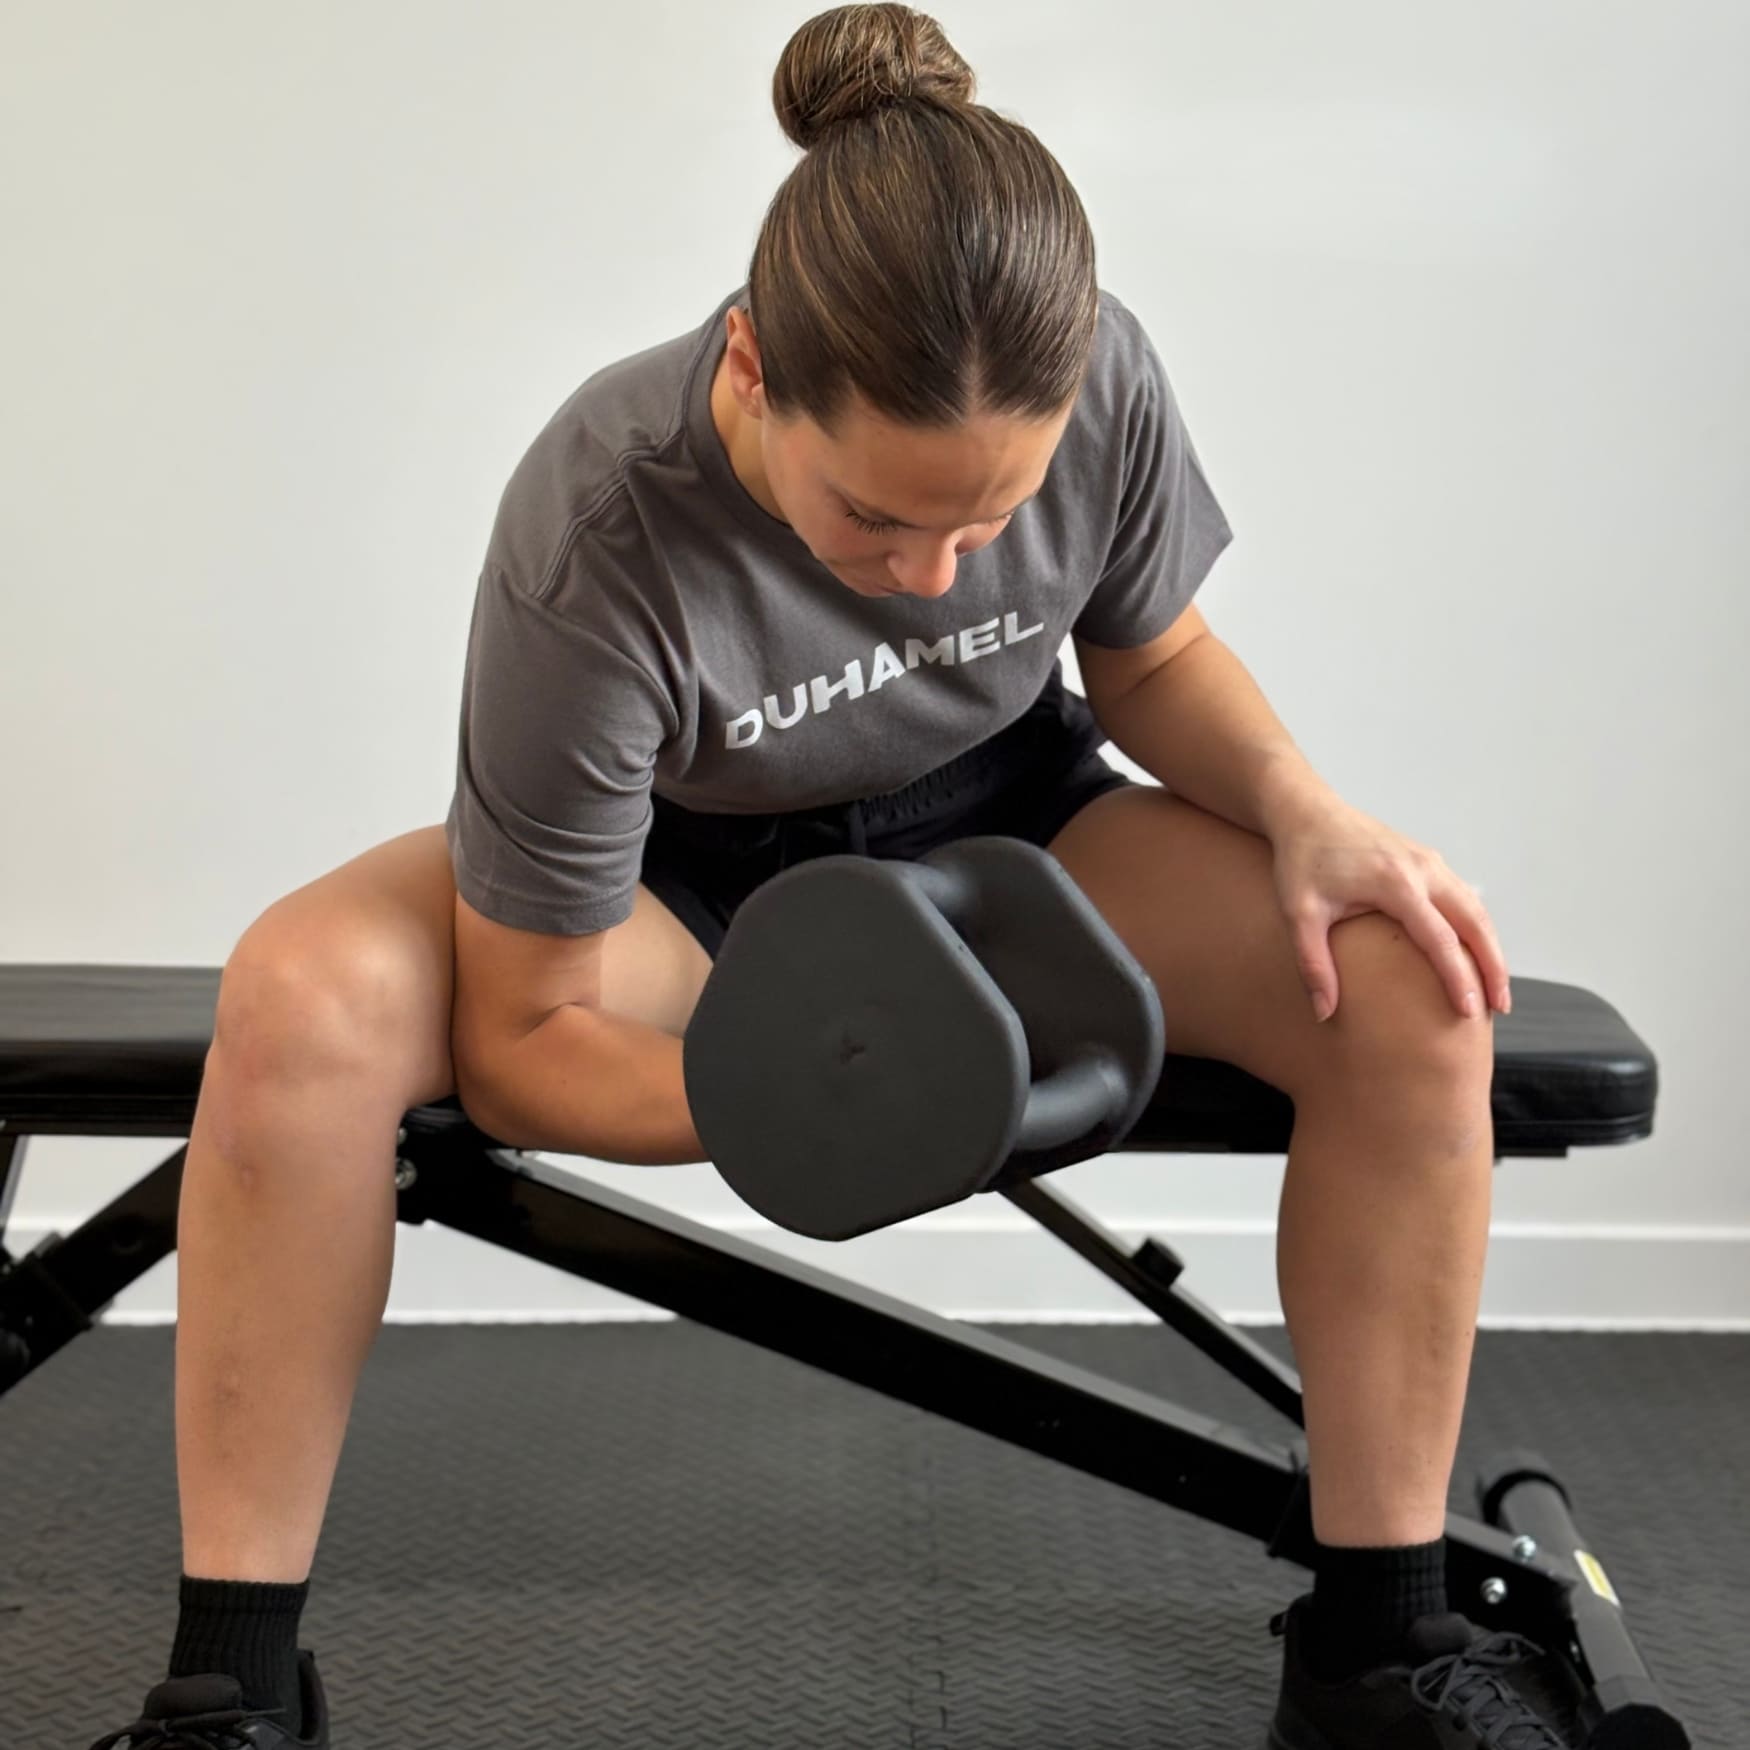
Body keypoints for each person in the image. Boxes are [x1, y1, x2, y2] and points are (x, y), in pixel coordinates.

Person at [89, 7, 1562, 1748]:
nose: (932, 576)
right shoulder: (600, 517)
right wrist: (844, 1098)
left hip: (1006, 829)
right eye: (875, 521)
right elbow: (530, 1025)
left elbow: (1143, 652)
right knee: (301, 995)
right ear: (748, 376)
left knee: (1400, 971)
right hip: (687, 882)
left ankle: (1379, 1645)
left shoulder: (1105, 376)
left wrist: (1304, 808)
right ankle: (229, 1695)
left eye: (982, 522)